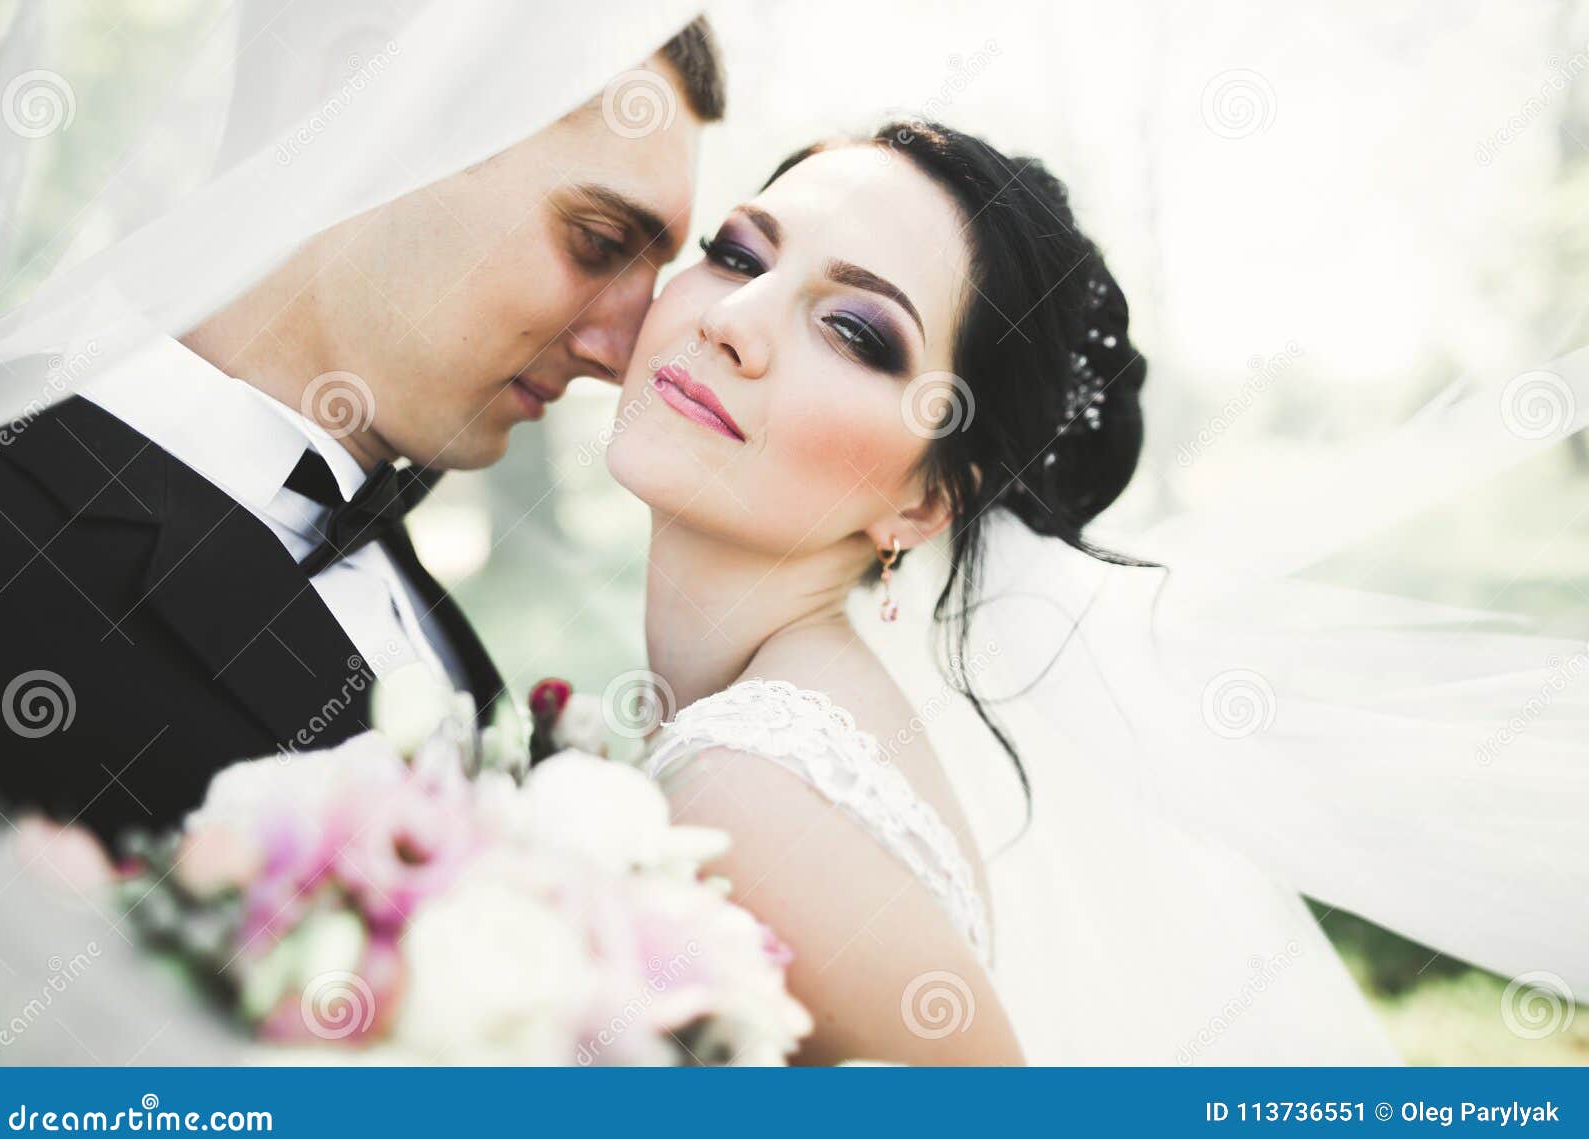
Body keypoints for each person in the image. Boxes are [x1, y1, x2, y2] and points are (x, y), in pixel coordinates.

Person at [607, 121, 1589, 1064]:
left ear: (926, 498)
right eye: (737, 253)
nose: (730, 320)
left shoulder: (750, 790)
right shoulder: (770, 742)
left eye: (857, 330)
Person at [0, 18, 725, 848]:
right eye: (598, 244)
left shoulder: (450, 648)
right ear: (375, 120)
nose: (623, 353)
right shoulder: (14, 504)